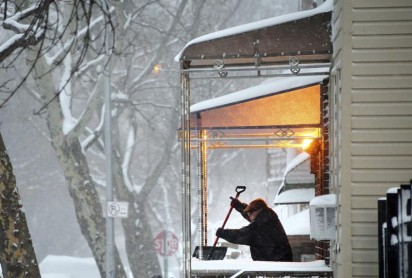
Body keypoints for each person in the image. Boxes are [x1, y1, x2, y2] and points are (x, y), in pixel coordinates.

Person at [216, 197, 293, 262]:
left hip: (274, 265)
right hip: (280, 260)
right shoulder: (268, 217)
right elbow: (251, 216)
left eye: (250, 213)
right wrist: (239, 206)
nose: (249, 216)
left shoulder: (260, 226)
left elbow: (240, 235)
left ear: (257, 210)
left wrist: (222, 233)